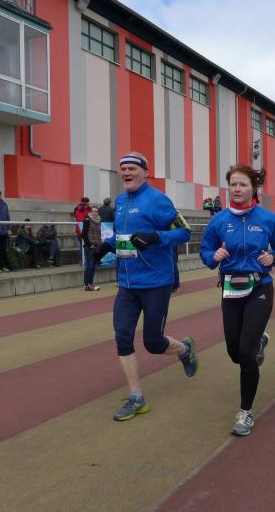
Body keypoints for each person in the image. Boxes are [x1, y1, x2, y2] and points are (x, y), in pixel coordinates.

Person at [101, 152, 198, 421]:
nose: (126, 173)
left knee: (153, 343)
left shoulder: (158, 200)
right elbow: (123, 237)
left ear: (145, 172)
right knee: (122, 337)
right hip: (127, 283)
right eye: (123, 169)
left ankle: (185, 349)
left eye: (132, 168)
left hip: (156, 282)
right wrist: (106, 246)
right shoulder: (121, 201)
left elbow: (185, 231)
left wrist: (155, 237)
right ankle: (137, 398)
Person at [200, 164, 275, 436]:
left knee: (246, 352)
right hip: (230, 289)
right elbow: (206, 250)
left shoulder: (267, 218)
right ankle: (259, 342)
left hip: (259, 288)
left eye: (242, 184)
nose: (237, 189)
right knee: (234, 352)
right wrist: (213, 256)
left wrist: (274, 257)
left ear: (253, 188)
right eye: (233, 185)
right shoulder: (219, 220)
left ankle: (245, 411)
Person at [81, 205, 102, 291]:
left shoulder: (99, 221)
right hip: (89, 246)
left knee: (93, 266)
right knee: (89, 265)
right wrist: (90, 245)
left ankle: (91, 282)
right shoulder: (87, 220)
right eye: (93, 211)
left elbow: (99, 234)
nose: (94, 213)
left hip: (97, 246)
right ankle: (87, 284)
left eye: (96, 211)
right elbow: (84, 234)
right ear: (90, 212)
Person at [73, 196, 90, 262]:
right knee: (87, 245)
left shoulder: (76, 208)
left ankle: (81, 261)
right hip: (86, 229)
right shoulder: (88, 208)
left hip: (78, 229)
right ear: (87, 202)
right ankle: (86, 260)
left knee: (81, 245)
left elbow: (76, 216)